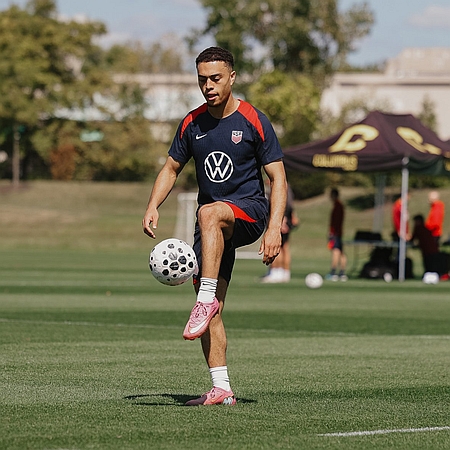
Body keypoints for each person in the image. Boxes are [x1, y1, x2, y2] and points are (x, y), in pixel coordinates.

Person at [142, 47, 287, 406]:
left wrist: (274, 229)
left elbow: (278, 178)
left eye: (216, 78)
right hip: (212, 232)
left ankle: (204, 299)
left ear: (232, 77)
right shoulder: (192, 123)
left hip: (249, 213)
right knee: (211, 309)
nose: (208, 86)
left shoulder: (254, 120)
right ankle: (221, 387)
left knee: (208, 213)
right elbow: (171, 168)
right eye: (202, 79)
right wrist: (153, 204)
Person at [261, 184, 299, 283]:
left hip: (280, 220)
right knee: (284, 247)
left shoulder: (281, 185)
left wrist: (283, 218)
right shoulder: (286, 186)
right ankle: (284, 273)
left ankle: (276, 272)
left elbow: (286, 203)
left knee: (278, 247)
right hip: (282, 219)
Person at [325, 188, 347, 281]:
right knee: (340, 252)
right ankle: (342, 273)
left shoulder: (338, 206)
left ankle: (333, 272)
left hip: (336, 233)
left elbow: (336, 221)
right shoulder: (338, 205)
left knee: (336, 251)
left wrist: (332, 232)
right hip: (338, 232)